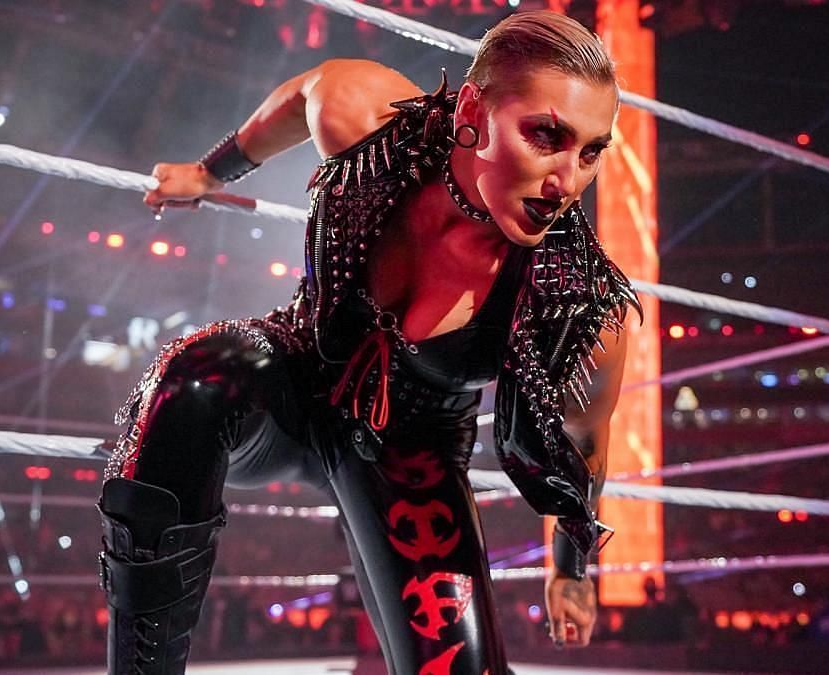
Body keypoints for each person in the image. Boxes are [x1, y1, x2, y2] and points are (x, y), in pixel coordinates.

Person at [97, 11, 640, 675]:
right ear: (474, 108)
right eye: (546, 135)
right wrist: (211, 174)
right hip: (296, 375)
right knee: (194, 379)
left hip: (411, 454)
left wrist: (572, 571)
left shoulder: (576, 301)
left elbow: (579, 448)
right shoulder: (375, 129)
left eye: (591, 151)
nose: (567, 181)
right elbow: (304, 96)